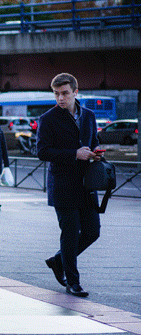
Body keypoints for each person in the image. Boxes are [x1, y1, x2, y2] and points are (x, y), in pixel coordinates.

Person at [36, 73, 101, 298]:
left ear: (75, 92)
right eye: (56, 94)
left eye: (65, 93)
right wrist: (74, 154)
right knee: (71, 233)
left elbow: (94, 142)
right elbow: (42, 152)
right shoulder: (48, 119)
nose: (60, 98)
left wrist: (96, 154)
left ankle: (58, 261)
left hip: (87, 184)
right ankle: (73, 282)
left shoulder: (89, 116)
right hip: (62, 185)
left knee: (93, 232)